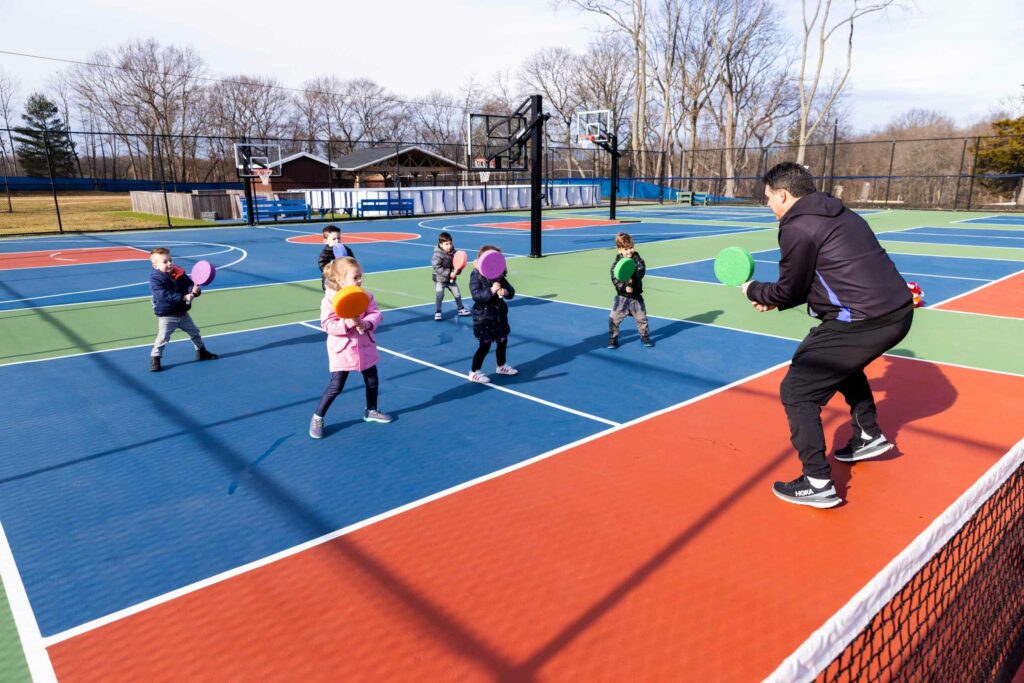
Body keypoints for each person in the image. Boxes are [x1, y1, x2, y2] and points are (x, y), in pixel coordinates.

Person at [742, 162, 914, 508]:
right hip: (897, 311)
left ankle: (818, 481)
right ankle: (867, 434)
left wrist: (755, 290)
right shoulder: (840, 213)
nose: (768, 206)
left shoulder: (797, 227)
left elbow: (790, 289)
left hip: (863, 319)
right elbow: (825, 277)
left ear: (783, 195)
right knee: (841, 362)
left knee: (797, 389)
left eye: (768, 198)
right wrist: (777, 299)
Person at [310, 257, 393, 439]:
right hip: (343, 350)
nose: (359, 281)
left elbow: (376, 314)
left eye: (360, 276)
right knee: (336, 386)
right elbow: (328, 325)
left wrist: (366, 323)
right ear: (340, 280)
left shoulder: (365, 295)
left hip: (365, 347)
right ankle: (317, 417)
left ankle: (371, 410)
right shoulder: (330, 300)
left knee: (372, 381)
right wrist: (348, 322)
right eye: (355, 277)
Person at [148, 247, 217, 372]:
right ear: (155, 266)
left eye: (170, 260)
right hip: (167, 315)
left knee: (195, 332)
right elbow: (163, 295)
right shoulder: (155, 279)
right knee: (163, 338)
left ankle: (201, 351)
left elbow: (189, 284)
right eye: (165, 262)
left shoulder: (179, 272)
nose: (169, 264)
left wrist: (194, 291)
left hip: (182, 313)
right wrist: (183, 297)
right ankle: (155, 358)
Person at [468, 245, 517, 383]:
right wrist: (491, 290)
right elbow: (476, 296)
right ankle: (474, 372)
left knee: (503, 341)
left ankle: (501, 366)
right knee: (485, 345)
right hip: (484, 318)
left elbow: (511, 290)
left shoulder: (498, 274)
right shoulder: (476, 275)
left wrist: (505, 292)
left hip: (499, 316)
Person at [608, 231, 653, 349]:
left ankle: (644, 336)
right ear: (620, 250)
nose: (629, 251)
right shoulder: (616, 264)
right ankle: (613, 338)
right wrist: (624, 287)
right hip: (621, 298)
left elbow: (641, 270)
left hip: (636, 297)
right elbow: (614, 278)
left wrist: (633, 276)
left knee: (642, 318)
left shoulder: (638, 260)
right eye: (626, 249)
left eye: (631, 247)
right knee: (613, 319)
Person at [431, 231, 471, 320]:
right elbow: (437, 268)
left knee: (457, 294)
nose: (449, 246)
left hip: (450, 280)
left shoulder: (454, 253)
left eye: (450, 243)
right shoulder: (437, 255)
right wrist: (449, 273)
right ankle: (438, 311)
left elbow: (457, 264)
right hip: (439, 279)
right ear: (440, 244)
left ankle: (460, 309)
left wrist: (457, 272)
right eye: (446, 244)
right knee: (439, 295)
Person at [318, 225, 354, 291]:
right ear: (325, 241)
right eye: (334, 239)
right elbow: (322, 266)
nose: (337, 241)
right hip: (331, 282)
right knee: (334, 298)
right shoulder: (325, 253)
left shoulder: (346, 249)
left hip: (344, 280)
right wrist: (332, 266)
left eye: (339, 238)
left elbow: (352, 260)